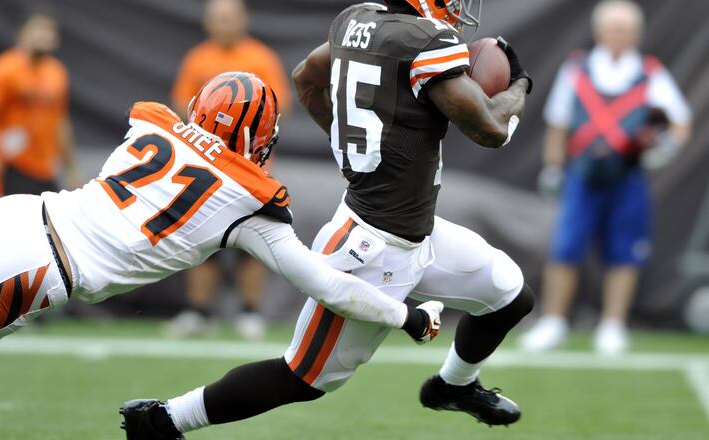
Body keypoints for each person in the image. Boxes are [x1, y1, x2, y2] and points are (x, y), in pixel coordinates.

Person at [120, 1, 534, 438]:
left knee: (510, 295)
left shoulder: (357, 21)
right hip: (371, 246)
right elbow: (490, 130)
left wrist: (353, 149)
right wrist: (521, 84)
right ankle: (162, 419)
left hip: (418, 231)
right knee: (302, 377)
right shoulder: (428, 40)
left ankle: (453, 386)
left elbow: (306, 76)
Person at [0, 73, 442, 386]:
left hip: (14, 214)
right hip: (36, 267)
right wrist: (407, 315)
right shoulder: (249, 200)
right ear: (261, 140)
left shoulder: (151, 122)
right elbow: (328, 285)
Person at [521, 0, 692, 354]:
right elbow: (558, 123)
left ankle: (613, 325)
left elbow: (680, 121)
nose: (621, 35)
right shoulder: (578, 69)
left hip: (627, 177)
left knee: (625, 252)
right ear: (599, 31)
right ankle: (553, 321)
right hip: (582, 176)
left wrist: (665, 149)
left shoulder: (649, 72)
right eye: (615, 28)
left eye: (628, 29)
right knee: (565, 248)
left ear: (637, 34)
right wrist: (553, 166)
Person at [166, 0, 293, 340]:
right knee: (200, 239)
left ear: (242, 20)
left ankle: (250, 310)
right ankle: (198, 310)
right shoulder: (198, 58)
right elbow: (183, 105)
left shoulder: (260, 57)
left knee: (250, 242)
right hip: (207, 164)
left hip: (249, 167)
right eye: (218, 18)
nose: (224, 24)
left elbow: (279, 106)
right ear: (208, 22)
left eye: (229, 18)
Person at [0, 13, 82, 201]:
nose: (44, 35)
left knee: (44, 216)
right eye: (38, 28)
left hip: (45, 167)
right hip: (11, 164)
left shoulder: (57, 72)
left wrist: (71, 167)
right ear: (22, 33)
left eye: (50, 31)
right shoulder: (4, 68)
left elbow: (60, 122)